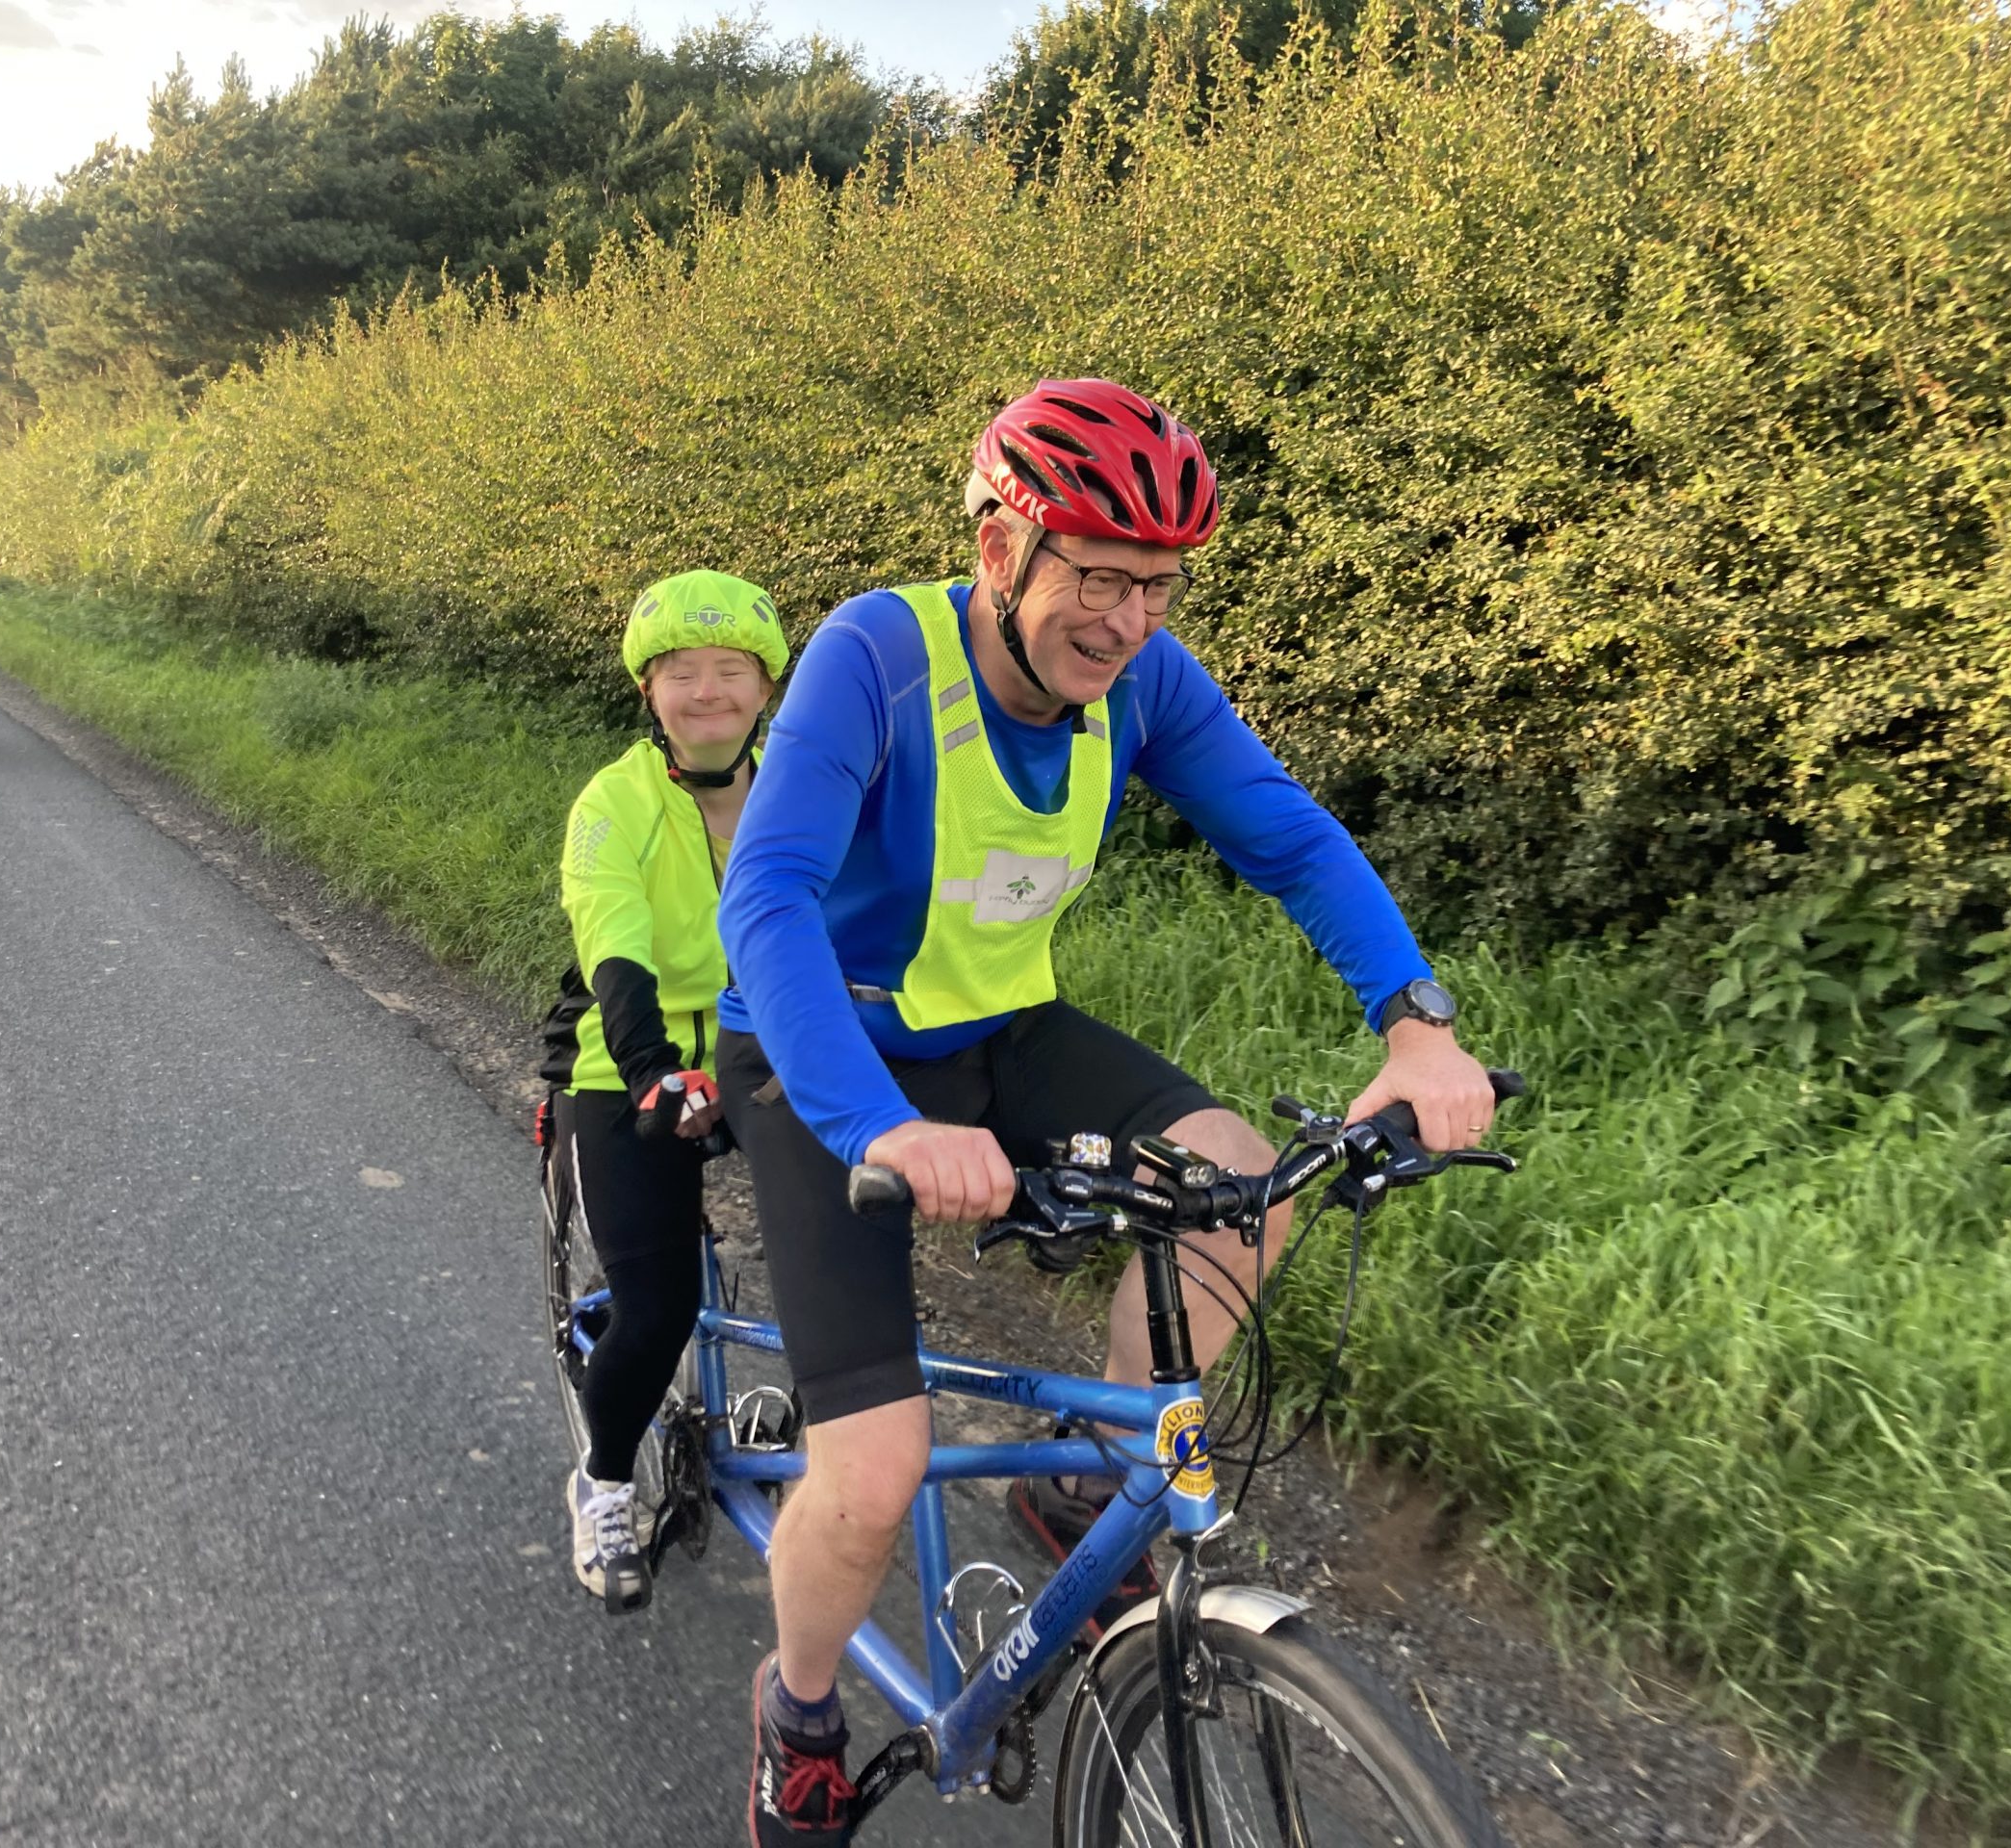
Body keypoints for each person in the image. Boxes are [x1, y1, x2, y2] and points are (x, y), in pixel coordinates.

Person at [714, 379, 1499, 1845]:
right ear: (1003, 549)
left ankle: (1097, 1501)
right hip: (825, 1052)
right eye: (1098, 576)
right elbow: (765, 900)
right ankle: (800, 1714)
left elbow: (1290, 836)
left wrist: (1417, 1023)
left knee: (1241, 1180)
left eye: (1157, 585)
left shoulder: (1145, 682)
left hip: (1003, 1029)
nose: (1129, 618)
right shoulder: (876, 657)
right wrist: (878, 1126)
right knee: (875, 1470)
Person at [539, 569, 788, 1610]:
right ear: (649, 691)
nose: (705, 692)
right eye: (679, 672)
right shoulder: (617, 801)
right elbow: (616, 946)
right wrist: (649, 1073)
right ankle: (600, 1481)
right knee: (658, 1306)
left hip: (765, 1052)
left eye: (728, 670)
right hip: (627, 1066)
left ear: (764, 689)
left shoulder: (800, 785)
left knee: (853, 1262)